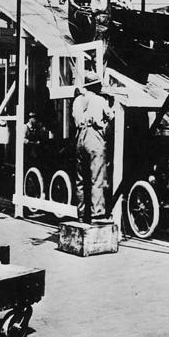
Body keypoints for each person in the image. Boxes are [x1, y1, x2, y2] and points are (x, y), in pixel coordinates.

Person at [72, 74, 115, 224]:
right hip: (94, 138)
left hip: (79, 138)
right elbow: (111, 116)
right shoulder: (100, 100)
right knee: (97, 178)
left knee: (80, 179)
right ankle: (97, 215)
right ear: (96, 86)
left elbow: (75, 118)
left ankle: (81, 214)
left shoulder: (77, 100)